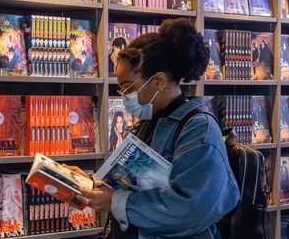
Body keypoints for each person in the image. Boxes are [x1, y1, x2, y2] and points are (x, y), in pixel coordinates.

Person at [71, 18, 240, 238]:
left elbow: (191, 208)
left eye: (128, 87)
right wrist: (89, 183)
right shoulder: (149, 122)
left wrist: (116, 202)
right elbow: (130, 182)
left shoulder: (199, 130)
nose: (125, 97)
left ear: (158, 81)